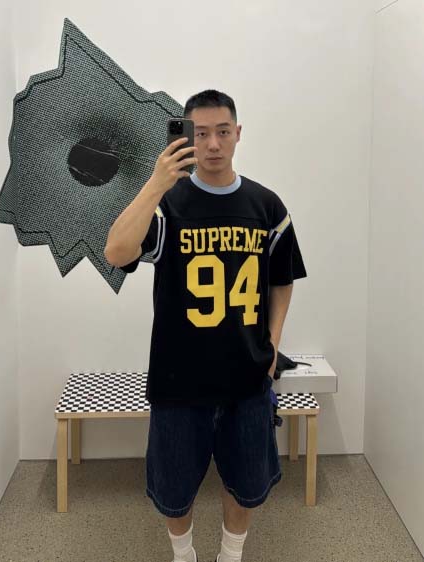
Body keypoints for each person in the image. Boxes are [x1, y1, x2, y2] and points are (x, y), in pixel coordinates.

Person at [104, 90, 307, 562]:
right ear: (185, 138)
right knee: (174, 487)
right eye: (199, 134)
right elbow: (116, 252)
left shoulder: (266, 206)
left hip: (247, 377)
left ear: (238, 134)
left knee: (247, 481)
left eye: (222, 131)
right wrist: (155, 184)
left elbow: (282, 280)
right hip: (179, 380)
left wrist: (273, 344)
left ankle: (231, 554)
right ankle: (184, 554)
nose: (212, 144)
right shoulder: (167, 205)